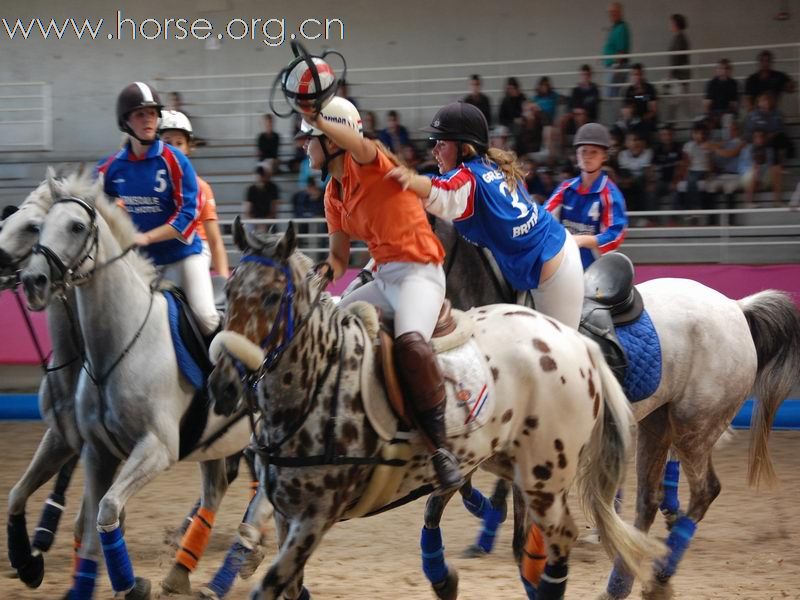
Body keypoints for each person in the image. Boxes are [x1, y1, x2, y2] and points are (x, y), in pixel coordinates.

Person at [299, 97, 463, 493]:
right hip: (385, 276)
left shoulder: (368, 160)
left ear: (333, 140)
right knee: (331, 328)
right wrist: (315, 280)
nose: (305, 146)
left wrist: (316, 114)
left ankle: (441, 450)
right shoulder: (332, 193)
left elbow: (360, 142)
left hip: (421, 273)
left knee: (410, 342)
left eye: (311, 139)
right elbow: (339, 259)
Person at [388, 101, 584, 330]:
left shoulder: (468, 180)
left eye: (441, 144)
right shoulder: (486, 165)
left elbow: (440, 191)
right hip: (532, 256)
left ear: (465, 148)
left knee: (561, 359)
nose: (434, 151)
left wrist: (409, 179)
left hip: (554, 273)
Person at [97, 82, 219, 336]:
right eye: (140, 114)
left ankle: (223, 372)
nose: (148, 119)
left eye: (152, 113)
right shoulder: (109, 168)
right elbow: (90, 208)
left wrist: (147, 237)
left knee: (205, 318)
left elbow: (188, 215)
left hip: (184, 256)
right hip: (141, 262)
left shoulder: (175, 160)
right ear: (126, 122)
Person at [158, 110, 230, 278]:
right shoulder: (148, 185)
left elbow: (214, 240)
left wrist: (224, 279)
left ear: (188, 148)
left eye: (179, 143)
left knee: (200, 305)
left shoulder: (201, 187)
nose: (173, 148)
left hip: (194, 248)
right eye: (167, 142)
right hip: (160, 248)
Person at [545, 123, 627, 269]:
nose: (587, 157)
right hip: (563, 266)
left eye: (594, 152)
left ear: (604, 156)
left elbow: (615, 236)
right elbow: (544, 217)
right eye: (583, 151)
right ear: (576, 155)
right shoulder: (565, 188)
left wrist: (582, 240)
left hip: (596, 270)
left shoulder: (610, 194)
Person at [602, 2, 631, 98]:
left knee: (612, 95)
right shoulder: (615, 27)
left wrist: (616, 66)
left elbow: (621, 51)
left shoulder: (621, 28)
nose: (611, 14)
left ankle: (614, 113)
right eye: (609, 12)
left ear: (619, 13)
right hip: (612, 67)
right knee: (611, 94)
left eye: (613, 12)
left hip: (617, 67)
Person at [624, 64, 658, 138]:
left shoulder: (649, 89)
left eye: (639, 74)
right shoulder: (629, 90)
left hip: (647, 120)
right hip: (634, 120)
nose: (637, 77)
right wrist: (630, 113)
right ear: (631, 76)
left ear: (643, 75)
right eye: (634, 75)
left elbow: (653, 110)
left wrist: (641, 119)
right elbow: (626, 111)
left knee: (643, 127)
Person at [704, 59, 739, 130]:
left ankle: (727, 139)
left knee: (729, 122)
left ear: (730, 70)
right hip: (714, 112)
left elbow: (733, 104)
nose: (724, 71)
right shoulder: (711, 83)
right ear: (716, 70)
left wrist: (728, 115)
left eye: (726, 68)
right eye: (721, 68)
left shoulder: (733, 84)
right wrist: (710, 116)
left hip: (727, 112)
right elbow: (707, 105)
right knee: (709, 123)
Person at [667, 14, 690, 94]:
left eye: (671, 23)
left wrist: (671, 73)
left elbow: (677, 58)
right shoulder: (678, 37)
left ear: (676, 24)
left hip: (680, 75)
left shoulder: (680, 38)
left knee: (678, 99)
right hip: (678, 74)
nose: (670, 25)